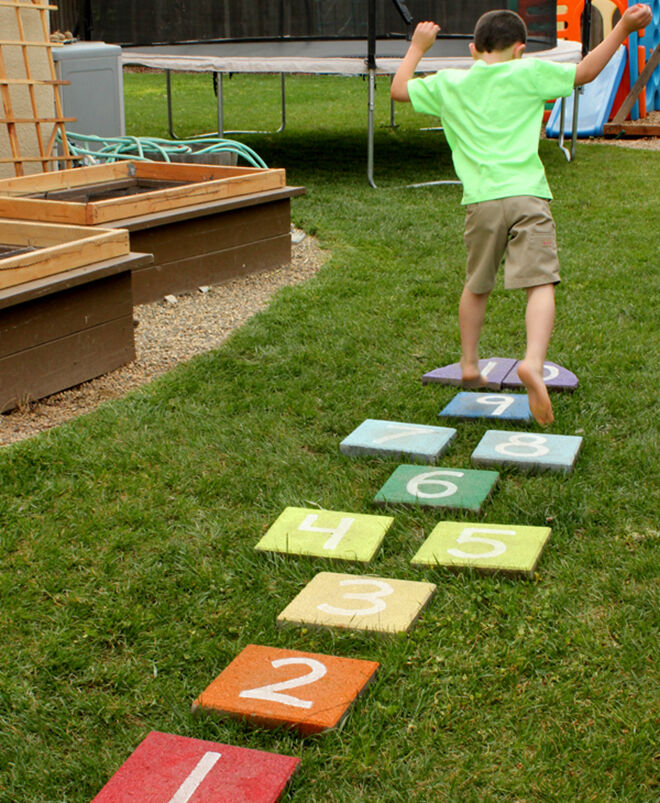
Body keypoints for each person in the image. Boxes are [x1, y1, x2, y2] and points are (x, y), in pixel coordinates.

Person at [391, 5, 652, 425]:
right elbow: (585, 72)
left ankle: (470, 363)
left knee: (477, 284)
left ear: (475, 50)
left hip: (481, 201)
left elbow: (400, 90)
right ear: (520, 49)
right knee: (541, 281)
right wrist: (621, 26)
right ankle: (532, 361)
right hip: (529, 196)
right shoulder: (529, 74)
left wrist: (418, 47)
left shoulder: (451, 84)